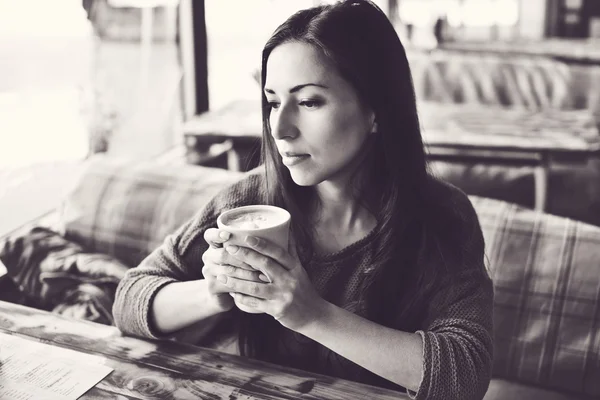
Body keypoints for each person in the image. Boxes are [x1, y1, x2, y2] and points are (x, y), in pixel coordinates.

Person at [113, 1, 494, 399]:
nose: (279, 127)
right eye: (273, 102)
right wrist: (213, 292)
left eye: (309, 101)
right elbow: (129, 300)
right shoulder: (250, 203)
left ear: (376, 110)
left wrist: (311, 314)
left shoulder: (442, 217)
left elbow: (465, 377)